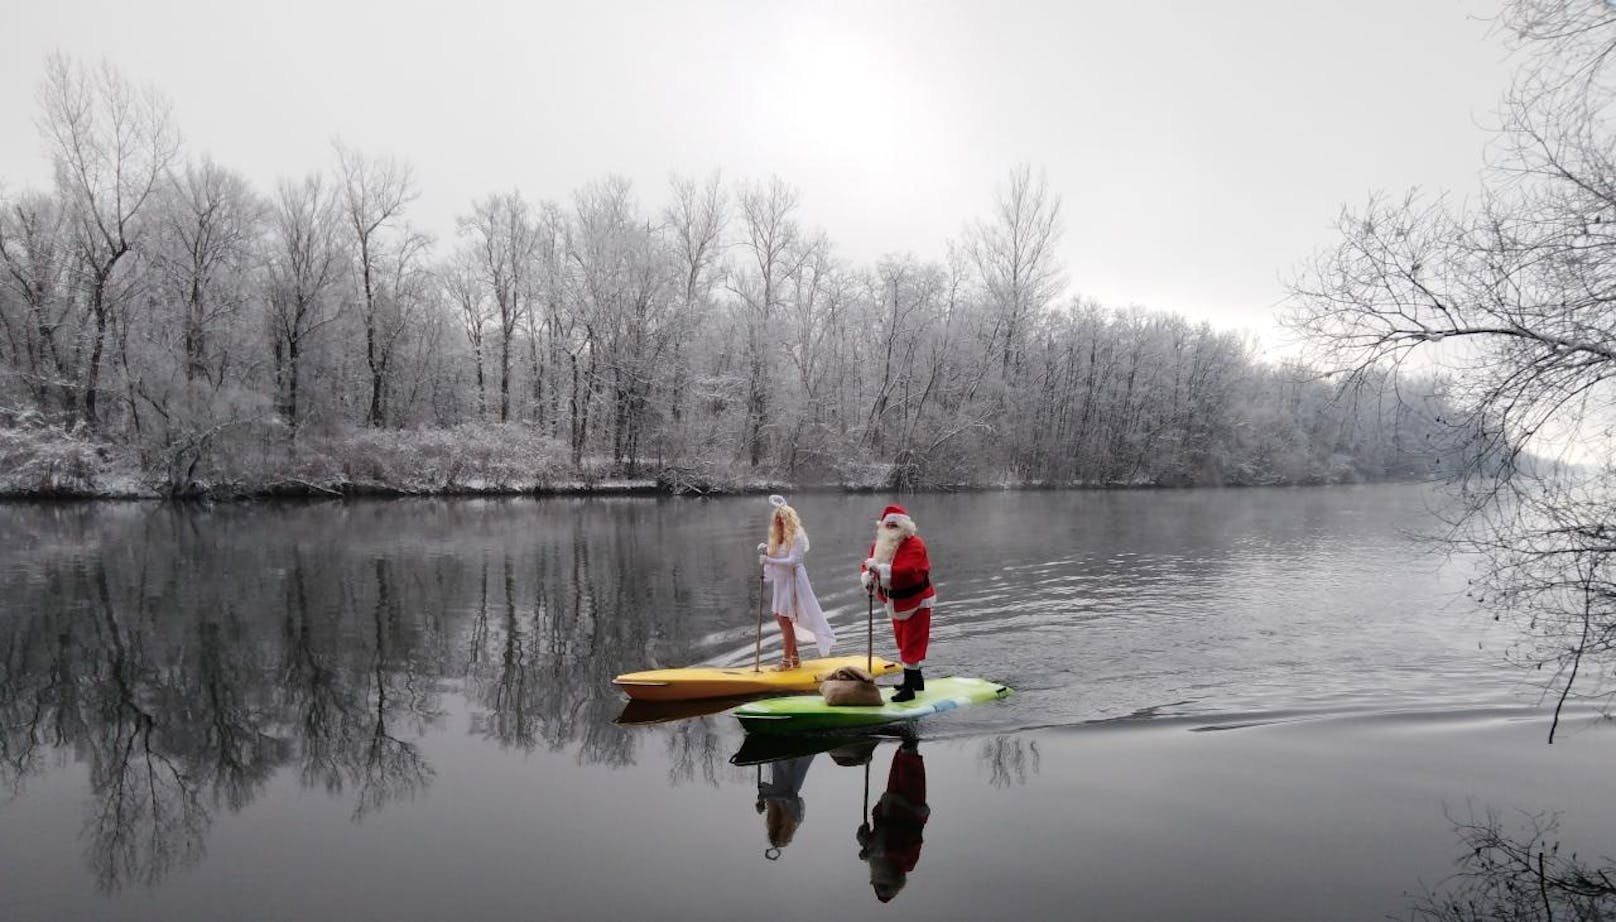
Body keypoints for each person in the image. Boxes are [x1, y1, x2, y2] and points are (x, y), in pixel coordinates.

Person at [858, 503, 934, 701]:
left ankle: (909, 689)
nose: (891, 530)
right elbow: (868, 566)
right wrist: (868, 577)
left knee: (912, 642)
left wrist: (880, 570)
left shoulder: (915, 544)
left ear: (905, 527)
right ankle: (916, 680)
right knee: (902, 640)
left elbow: (909, 572)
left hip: (917, 601)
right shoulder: (879, 546)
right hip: (895, 602)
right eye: (888, 526)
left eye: (895, 526)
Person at [758, 494, 835, 670]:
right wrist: (767, 551)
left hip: (794, 580)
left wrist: (769, 561)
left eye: (781, 519)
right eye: (776, 519)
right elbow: (779, 555)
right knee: (780, 616)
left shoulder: (797, 536)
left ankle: (786, 662)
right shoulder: (780, 536)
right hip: (782, 580)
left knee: (786, 618)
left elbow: (793, 561)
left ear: (789, 519)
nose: (778, 522)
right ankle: (795, 658)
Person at [857, 738, 929, 902]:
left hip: (890, 807)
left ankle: (905, 740)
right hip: (910, 810)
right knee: (910, 767)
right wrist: (878, 848)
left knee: (897, 765)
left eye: (878, 883)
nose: (881, 878)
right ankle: (910, 739)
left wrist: (866, 837)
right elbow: (907, 840)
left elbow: (880, 831)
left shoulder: (875, 857)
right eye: (885, 885)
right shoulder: (907, 863)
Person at [756, 753, 816, 860]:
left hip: (779, 763)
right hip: (794, 772)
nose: (777, 825)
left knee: (777, 754)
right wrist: (767, 795)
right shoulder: (795, 817)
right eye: (780, 829)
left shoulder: (773, 808)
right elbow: (790, 797)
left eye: (775, 829)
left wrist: (761, 800)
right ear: (785, 831)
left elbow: (765, 786)